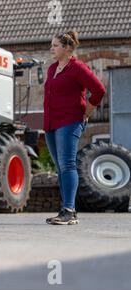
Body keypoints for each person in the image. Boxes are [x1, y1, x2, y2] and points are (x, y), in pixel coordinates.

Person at [44, 31, 106, 225]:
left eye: (55, 45)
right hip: (51, 123)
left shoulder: (78, 68)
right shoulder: (52, 68)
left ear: (67, 48)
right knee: (60, 167)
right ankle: (66, 209)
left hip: (70, 121)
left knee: (68, 164)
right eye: (52, 45)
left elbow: (99, 90)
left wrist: (86, 113)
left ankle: (69, 210)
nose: (51, 48)